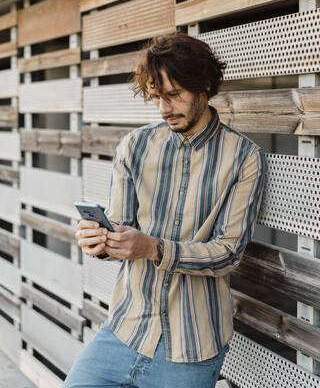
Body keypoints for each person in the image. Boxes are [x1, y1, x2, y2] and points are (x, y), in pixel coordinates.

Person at [63, 33, 267, 388]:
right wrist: (99, 241)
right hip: (125, 329)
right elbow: (122, 231)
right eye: (156, 97)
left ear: (204, 84)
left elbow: (228, 253)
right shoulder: (134, 146)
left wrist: (154, 248)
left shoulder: (244, 158)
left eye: (174, 95)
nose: (164, 108)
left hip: (191, 347)